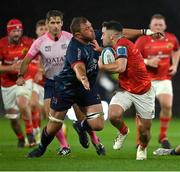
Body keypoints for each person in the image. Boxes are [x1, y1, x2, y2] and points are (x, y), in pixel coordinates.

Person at [17, 12, 106, 156]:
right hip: (54, 83)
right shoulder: (40, 42)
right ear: (47, 24)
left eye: (58, 22)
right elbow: (27, 60)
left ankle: (95, 141)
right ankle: (58, 146)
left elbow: (83, 54)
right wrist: (21, 75)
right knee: (52, 120)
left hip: (76, 83)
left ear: (62, 23)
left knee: (82, 116)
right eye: (52, 22)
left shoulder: (70, 38)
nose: (56, 25)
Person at [98, 20, 155, 160]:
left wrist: (102, 66)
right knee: (113, 115)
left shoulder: (122, 45)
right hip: (126, 89)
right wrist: (100, 50)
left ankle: (142, 147)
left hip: (143, 92)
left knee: (144, 132)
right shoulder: (120, 42)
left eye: (103, 34)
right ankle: (123, 132)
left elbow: (120, 67)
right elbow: (123, 32)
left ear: (112, 36)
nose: (101, 37)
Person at [135, 14, 180, 149]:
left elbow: (177, 50)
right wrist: (148, 61)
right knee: (142, 112)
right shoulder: (143, 40)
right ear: (150, 26)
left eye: (160, 24)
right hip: (145, 80)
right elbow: (134, 58)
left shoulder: (171, 39)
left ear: (165, 26)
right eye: (155, 24)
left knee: (167, 105)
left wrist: (175, 65)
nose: (158, 27)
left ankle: (162, 135)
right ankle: (139, 140)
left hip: (164, 78)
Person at [0, 18, 36, 147]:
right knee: (13, 118)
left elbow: (40, 54)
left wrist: (39, 70)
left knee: (22, 102)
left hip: (24, 79)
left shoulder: (27, 42)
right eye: (14, 31)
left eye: (19, 30)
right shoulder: (1, 44)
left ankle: (30, 133)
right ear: (8, 32)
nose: (17, 33)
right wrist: (11, 68)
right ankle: (21, 138)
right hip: (7, 83)